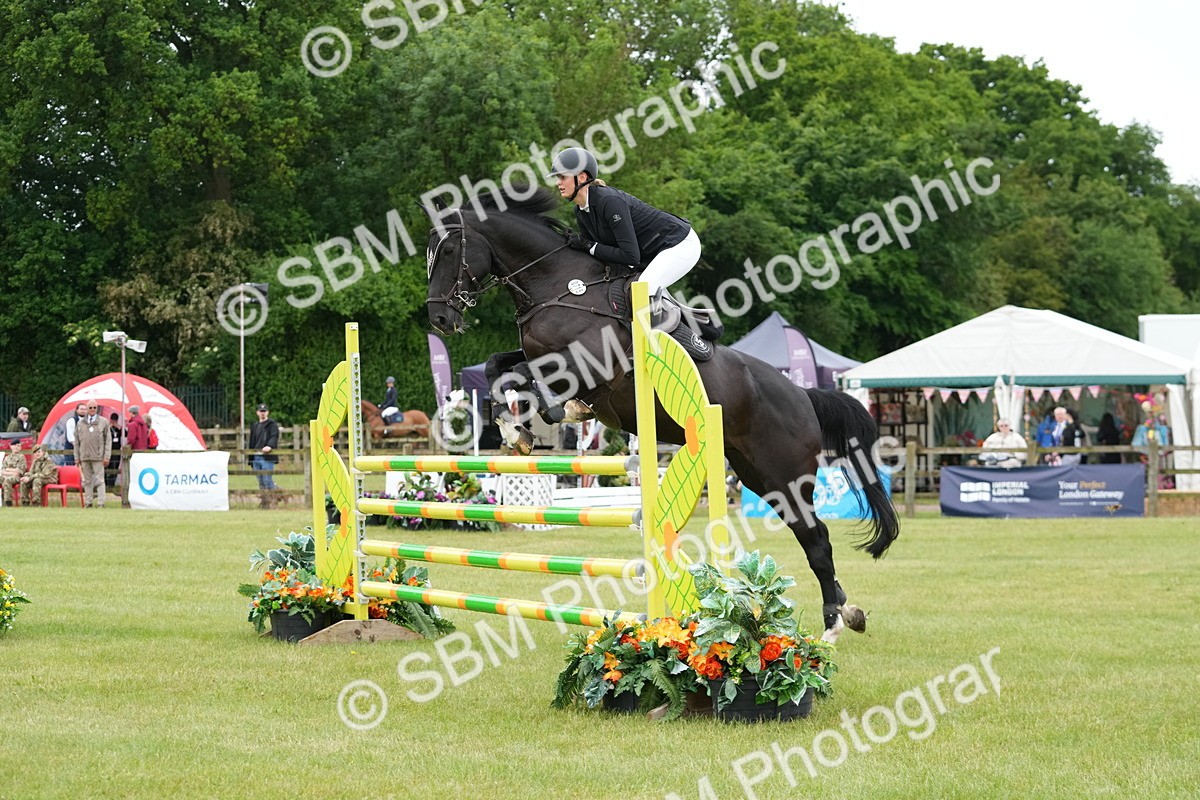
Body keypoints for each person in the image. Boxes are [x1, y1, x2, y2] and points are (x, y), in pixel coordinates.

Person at [546, 147, 718, 358]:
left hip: (679, 244)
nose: (558, 183)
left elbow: (630, 257)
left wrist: (588, 246)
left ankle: (670, 350)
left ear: (581, 177)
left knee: (642, 290)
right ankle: (697, 326)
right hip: (652, 254)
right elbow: (599, 254)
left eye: (562, 177)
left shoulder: (609, 201)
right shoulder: (581, 211)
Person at [74, 402, 111, 507]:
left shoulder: (103, 422)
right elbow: (76, 442)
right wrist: (77, 457)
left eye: (94, 407)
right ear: (87, 408)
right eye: (90, 407)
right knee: (87, 481)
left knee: (100, 481)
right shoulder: (80, 423)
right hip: (84, 457)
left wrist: (106, 456)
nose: (92, 409)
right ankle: (88, 502)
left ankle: (101, 502)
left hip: (98, 457)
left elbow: (108, 441)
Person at [248, 403, 280, 494]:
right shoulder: (255, 426)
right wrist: (250, 458)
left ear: (267, 412)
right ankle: (265, 499)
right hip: (256, 456)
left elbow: (274, 436)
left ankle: (276, 495)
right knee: (260, 481)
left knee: (267, 480)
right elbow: (252, 441)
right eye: (261, 411)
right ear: (257, 413)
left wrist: (269, 446)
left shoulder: (272, 425)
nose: (263, 413)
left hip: (267, 456)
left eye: (264, 411)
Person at [1, 439, 27, 505]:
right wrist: (11, 472)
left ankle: (8, 503)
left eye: (19, 446)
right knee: (4, 478)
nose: (17, 447)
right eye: (15, 445)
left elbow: (19, 472)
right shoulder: (7, 458)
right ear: (11, 446)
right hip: (7, 476)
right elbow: (2, 471)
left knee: (7, 480)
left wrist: (7, 470)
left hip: (18, 478)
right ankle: (2, 500)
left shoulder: (21, 457)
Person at [64, 402, 87, 466]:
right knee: (71, 469)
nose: (83, 411)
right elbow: (70, 437)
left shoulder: (88, 422)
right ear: (77, 410)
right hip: (71, 450)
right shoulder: (71, 421)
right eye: (81, 409)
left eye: (85, 409)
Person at [107, 412, 123, 488]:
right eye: (112, 420)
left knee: (115, 467)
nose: (113, 422)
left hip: (117, 450)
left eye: (115, 420)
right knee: (107, 467)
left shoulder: (119, 428)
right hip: (108, 450)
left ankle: (112, 484)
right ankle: (106, 483)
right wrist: (109, 427)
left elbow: (126, 434)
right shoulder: (107, 427)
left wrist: (119, 427)